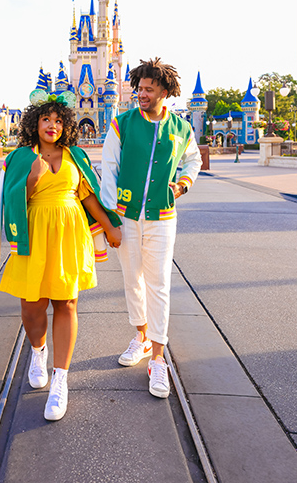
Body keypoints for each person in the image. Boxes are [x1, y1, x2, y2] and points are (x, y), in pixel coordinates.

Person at [0, 92, 122, 421]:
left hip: (69, 236)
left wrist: (110, 227)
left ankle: (61, 379)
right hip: (32, 236)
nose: (53, 125)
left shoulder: (75, 156)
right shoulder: (20, 157)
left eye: (59, 121)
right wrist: (32, 178)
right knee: (32, 307)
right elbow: (10, 198)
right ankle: (38, 351)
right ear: (35, 123)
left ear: (66, 126)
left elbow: (88, 195)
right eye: (47, 119)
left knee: (66, 303)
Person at [100, 57, 201, 399]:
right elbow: (109, 167)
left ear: (164, 91)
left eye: (148, 89)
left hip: (162, 216)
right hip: (127, 216)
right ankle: (141, 335)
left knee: (158, 284)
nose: (141, 93)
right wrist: (112, 215)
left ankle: (158, 357)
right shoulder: (122, 123)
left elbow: (194, 159)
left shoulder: (181, 128)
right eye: (139, 88)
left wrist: (183, 183)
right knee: (132, 279)